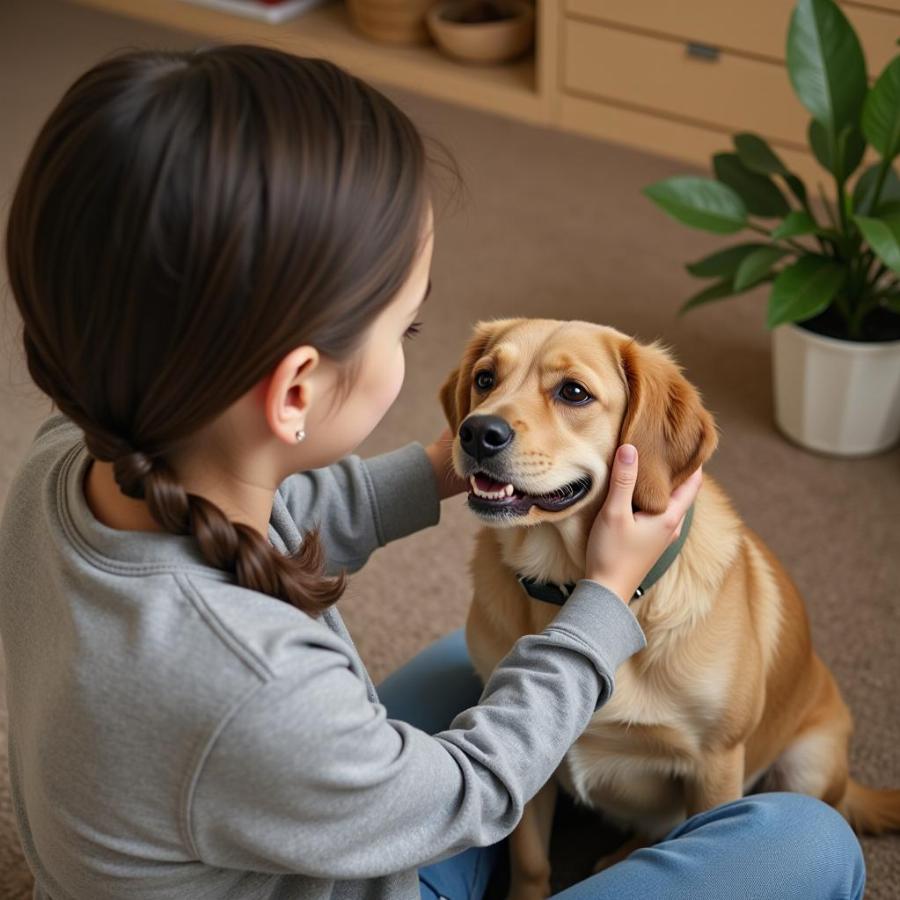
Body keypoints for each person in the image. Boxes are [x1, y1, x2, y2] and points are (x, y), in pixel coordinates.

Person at [0, 45, 864, 900]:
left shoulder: (71, 451)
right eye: (407, 328)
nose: (477, 406)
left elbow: (267, 512)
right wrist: (601, 603)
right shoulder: (260, 684)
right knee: (808, 843)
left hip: (257, 815)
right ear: (298, 387)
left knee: (475, 657)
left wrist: (449, 465)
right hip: (361, 858)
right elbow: (470, 791)